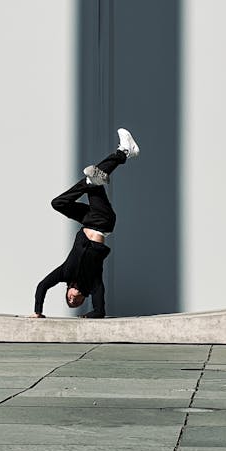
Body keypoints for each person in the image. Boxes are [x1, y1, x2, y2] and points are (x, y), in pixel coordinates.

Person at [31, 128, 140, 319]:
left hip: (87, 219)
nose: (73, 300)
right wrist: (90, 316)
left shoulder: (65, 272)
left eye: (69, 300)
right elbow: (100, 311)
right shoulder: (94, 281)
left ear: (67, 292)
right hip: (103, 221)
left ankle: (107, 168)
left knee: (58, 203)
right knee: (92, 182)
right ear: (84, 297)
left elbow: (42, 286)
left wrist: (38, 312)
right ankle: (122, 153)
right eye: (77, 302)